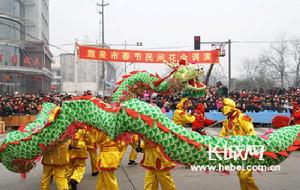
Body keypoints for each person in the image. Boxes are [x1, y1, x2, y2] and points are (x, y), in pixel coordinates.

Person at [220, 98, 259, 190]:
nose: (222, 108)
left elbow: (251, 133)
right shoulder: (226, 121)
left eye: (224, 106)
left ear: (229, 107)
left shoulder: (242, 117)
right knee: (243, 177)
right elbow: (222, 136)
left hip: (247, 151)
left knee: (244, 175)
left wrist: (243, 143)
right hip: (236, 152)